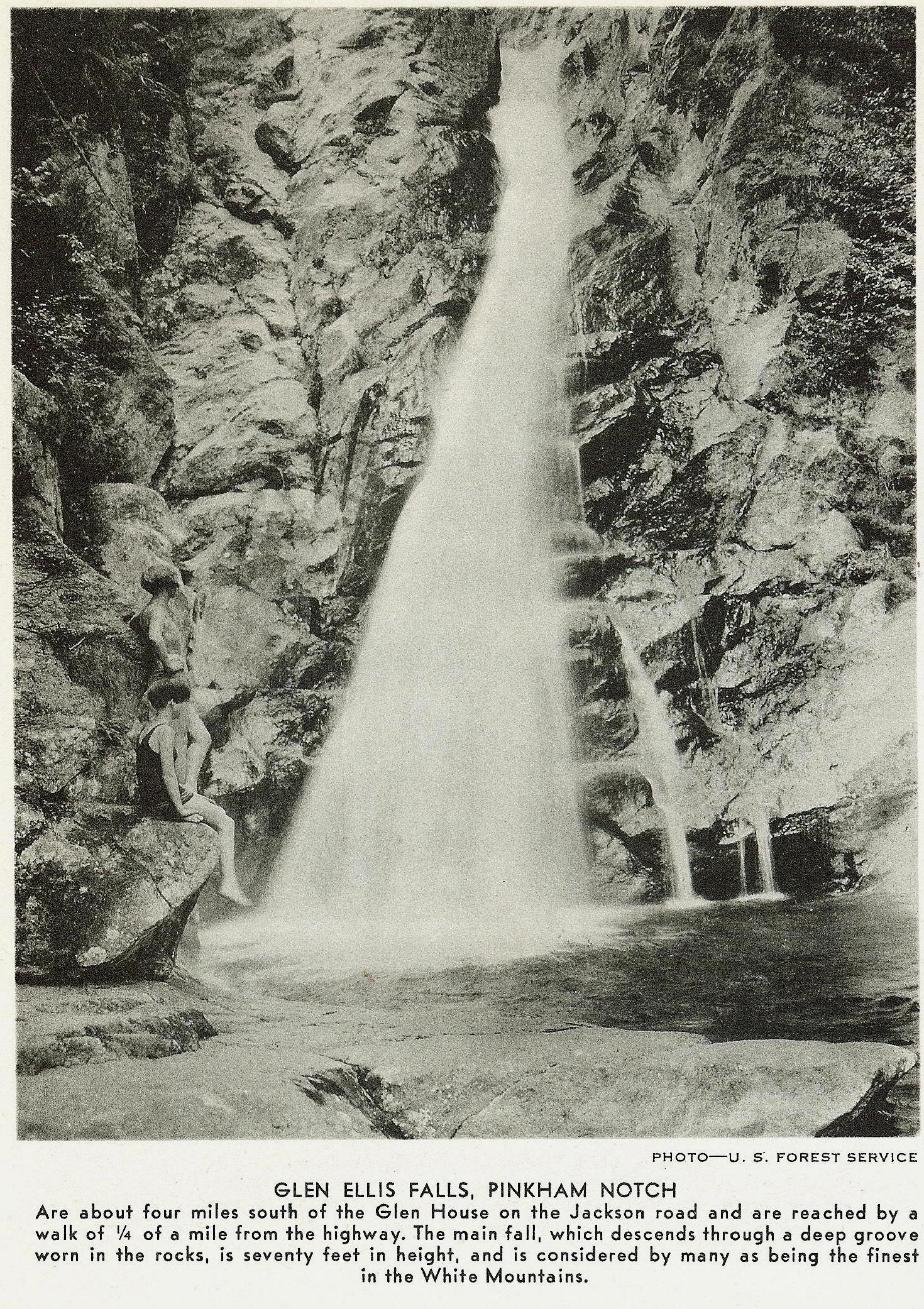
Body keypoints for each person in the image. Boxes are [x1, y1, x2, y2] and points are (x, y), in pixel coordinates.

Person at [136, 675, 251, 907]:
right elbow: (168, 775)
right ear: (171, 704)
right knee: (226, 823)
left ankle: (228, 880)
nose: (186, 709)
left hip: (152, 798)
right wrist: (180, 809)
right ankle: (228, 882)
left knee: (213, 808)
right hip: (164, 801)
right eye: (183, 703)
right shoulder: (166, 732)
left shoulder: (147, 730)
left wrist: (194, 798)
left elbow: (153, 775)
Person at [130, 561, 211, 793]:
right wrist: (169, 663)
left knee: (181, 739)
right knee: (198, 738)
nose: (178, 588)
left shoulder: (147, 611)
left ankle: (184, 789)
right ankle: (187, 790)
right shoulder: (158, 609)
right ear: (169, 585)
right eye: (175, 584)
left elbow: (139, 626)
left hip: (163, 684)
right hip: (170, 683)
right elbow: (155, 637)